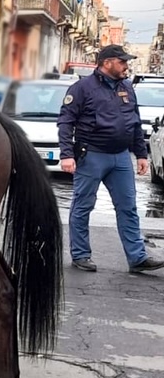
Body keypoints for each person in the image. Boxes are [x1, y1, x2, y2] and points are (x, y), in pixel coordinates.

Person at [58, 44, 164, 274]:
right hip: (91, 155)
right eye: (122, 61)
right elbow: (66, 122)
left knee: (128, 207)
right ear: (107, 63)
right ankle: (81, 255)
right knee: (83, 206)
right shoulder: (82, 88)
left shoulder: (127, 87)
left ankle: (137, 257)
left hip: (121, 158)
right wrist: (66, 154)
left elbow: (134, 122)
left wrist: (142, 154)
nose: (126, 66)